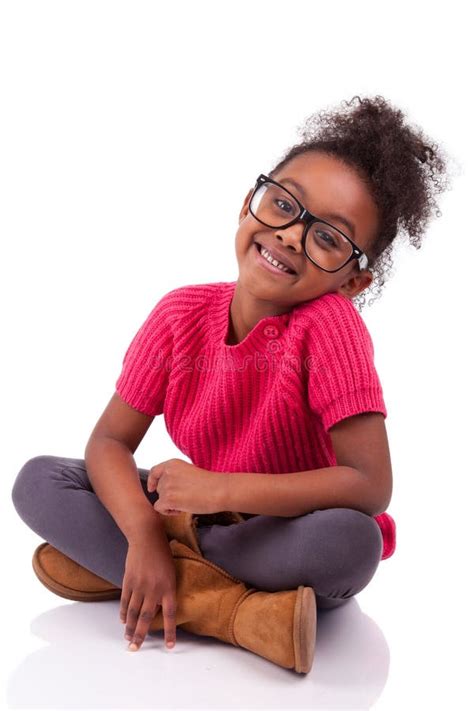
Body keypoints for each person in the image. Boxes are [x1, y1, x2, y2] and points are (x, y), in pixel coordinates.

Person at [11, 95, 451, 656]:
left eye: (327, 238)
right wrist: (144, 533)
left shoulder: (330, 327)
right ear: (250, 203)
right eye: (285, 205)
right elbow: (108, 442)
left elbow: (370, 484)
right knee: (39, 480)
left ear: (352, 283)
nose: (293, 235)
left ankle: (148, 578)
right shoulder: (179, 314)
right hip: (199, 511)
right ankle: (237, 613)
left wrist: (218, 488)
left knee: (351, 543)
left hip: (284, 528)